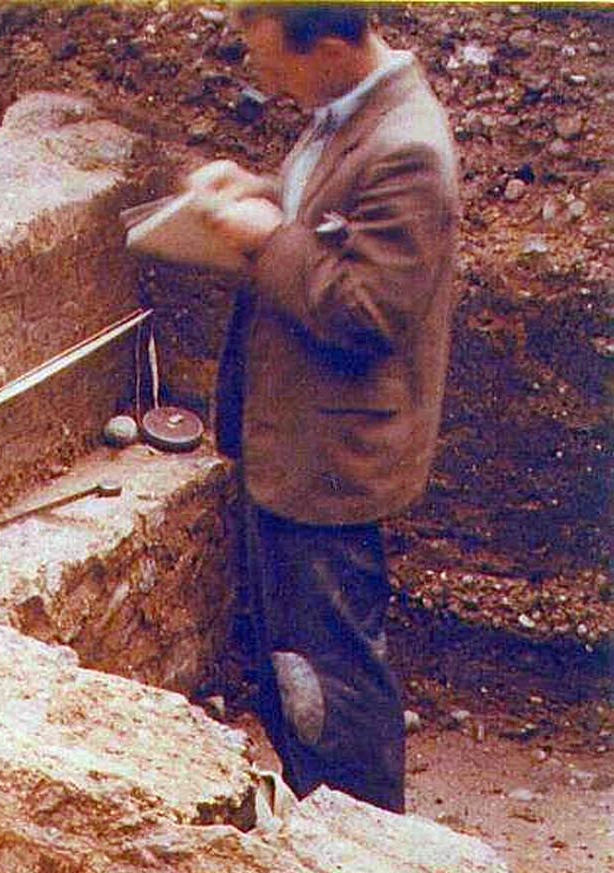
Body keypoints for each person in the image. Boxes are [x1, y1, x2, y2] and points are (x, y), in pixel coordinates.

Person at [191, 3, 458, 813]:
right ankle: (324, 828)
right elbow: (335, 220)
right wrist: (265, 195)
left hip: (332, 461)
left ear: (334, 45)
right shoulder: (348, 112)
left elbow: (366, 309)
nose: (256, 71)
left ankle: (371, 856)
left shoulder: (407, 147)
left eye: (266, 52)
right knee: (295, 667)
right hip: (297, 443)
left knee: (333, 684)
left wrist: (266, 237)